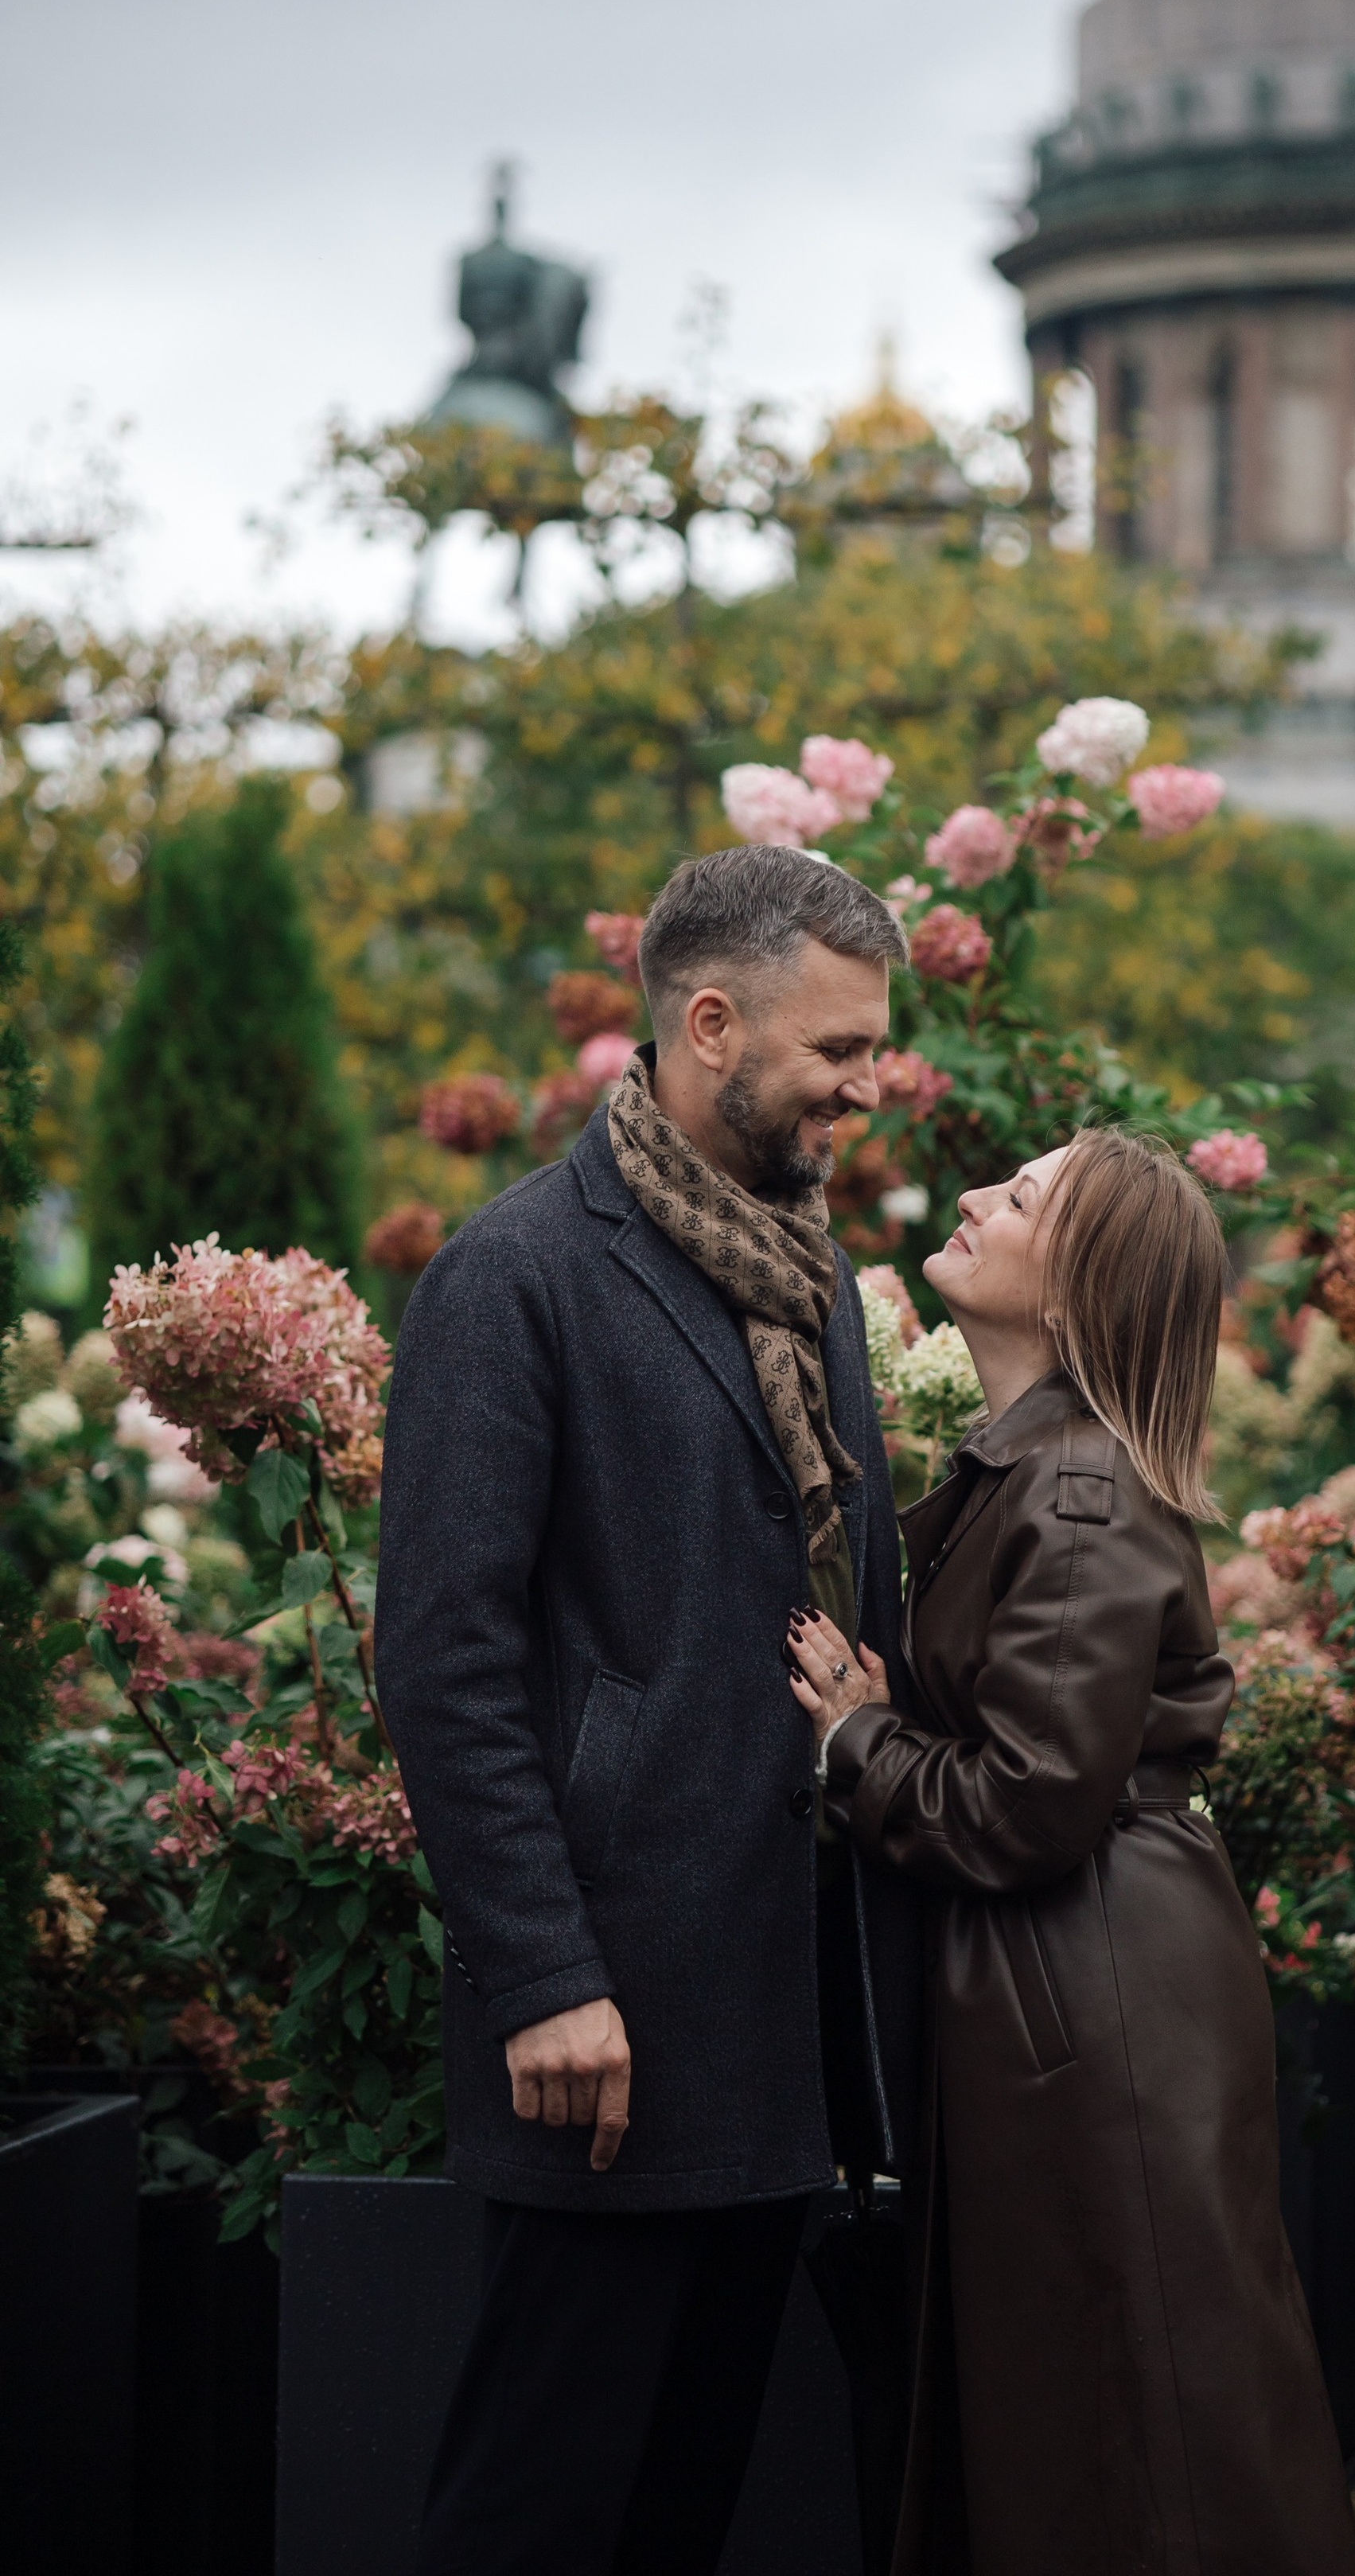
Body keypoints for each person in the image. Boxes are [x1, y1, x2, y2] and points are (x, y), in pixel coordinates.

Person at [376, 844, 920, 2576]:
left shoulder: (803, 1272)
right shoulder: (513, 1276)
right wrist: (545, 1977)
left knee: (686, 2513)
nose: (868, 1084)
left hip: (779, 2011)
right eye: (835, 1049)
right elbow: (443, 1661)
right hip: (602, 2032)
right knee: (534, 2516)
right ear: (707, 1024)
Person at [788, 1127, 1355, 2576]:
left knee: (1146, 2422)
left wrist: (857, 1743)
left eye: (1023, 1197)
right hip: (1085, 1986)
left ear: (1077, 1282)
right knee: (1107, 2405)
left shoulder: (1077, 1493)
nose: (977, 1196)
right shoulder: (1035, 1471)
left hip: (1094, 2002)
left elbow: (1028, 1803)